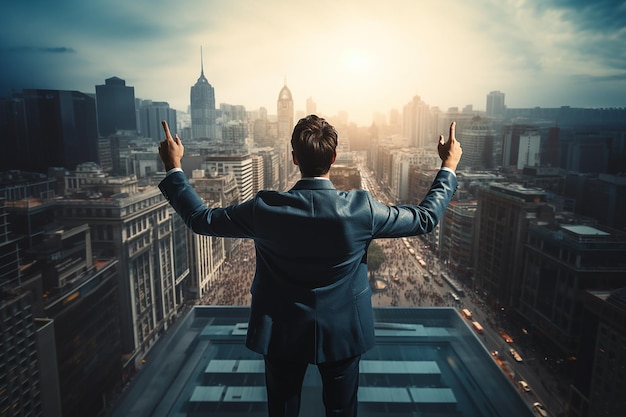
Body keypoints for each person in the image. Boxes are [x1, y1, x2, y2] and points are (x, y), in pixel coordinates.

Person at [158, 115, 461, 417]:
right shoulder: (361, 209)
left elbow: (201, 219)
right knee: (341, 411)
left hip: (280, 332)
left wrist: (174, 166)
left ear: (293, 158)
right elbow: (425, 218)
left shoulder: (265, 209)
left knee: (283, 411)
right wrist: (448, 165)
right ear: (334, 157)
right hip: (343, 333)